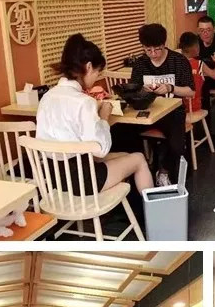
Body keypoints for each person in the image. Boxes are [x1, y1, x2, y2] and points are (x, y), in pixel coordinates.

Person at [37, 33, 153, 195]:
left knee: (126, 156)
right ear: (89, 67)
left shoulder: (47, 98)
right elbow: (101, 149)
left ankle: (122, 207)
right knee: (139, 159)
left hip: (53, 178)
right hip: (82, 181)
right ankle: (153, 209)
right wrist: (104, 117)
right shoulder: (84, 102)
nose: (96, 78)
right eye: (98, 73)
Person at [131, 23, 194, 186]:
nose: (153, 54)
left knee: (176, 144)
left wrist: (170, 88)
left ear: (164, 44)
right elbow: (134, 90)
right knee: (123, 133)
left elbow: (190, 91)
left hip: (173, 112)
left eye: (157, 49)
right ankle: (139, 172)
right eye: (148, 50)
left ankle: (164, 171)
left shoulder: (178, 61)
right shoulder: (140, 64)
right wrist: (141, 90)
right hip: (148, 111)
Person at [178, 31, 215, 113]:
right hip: (195, 107)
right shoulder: (199, 64)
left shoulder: (175, 63)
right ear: (195, 47)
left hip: (178, 108)